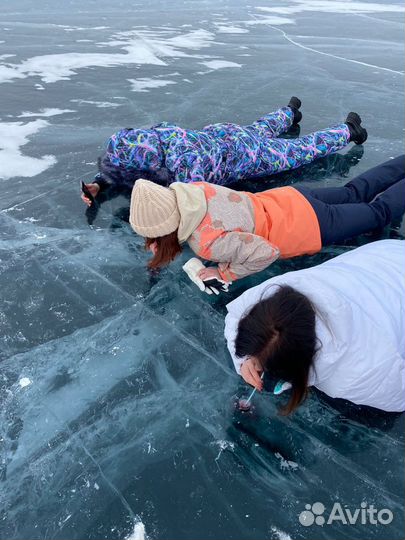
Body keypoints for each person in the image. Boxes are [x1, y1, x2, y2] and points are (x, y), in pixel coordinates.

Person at [128, 156, 405, 289]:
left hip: (308, 224)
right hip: (290, 198)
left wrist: (223, 274)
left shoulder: (208, 244)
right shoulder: (192, 191)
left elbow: (265, 252)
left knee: (379, 212)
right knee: (354, 192)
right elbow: (209, 215)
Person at [224, 239, 405, 414]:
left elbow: (399, 399)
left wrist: (285, 379)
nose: (254, 364)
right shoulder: (274, 297)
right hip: (386, 254)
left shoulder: (359, 373)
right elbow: (236, 315)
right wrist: (243, 361)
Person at [81, 98, 367, 205]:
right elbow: (121, 163)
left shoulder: (186, 166)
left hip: (246, 155)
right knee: (259, 127)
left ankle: (348, 131)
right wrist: (99, 183)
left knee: (298, 150)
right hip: (222, 133)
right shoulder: (155, 134)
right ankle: (290, 111)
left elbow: (191, 204)